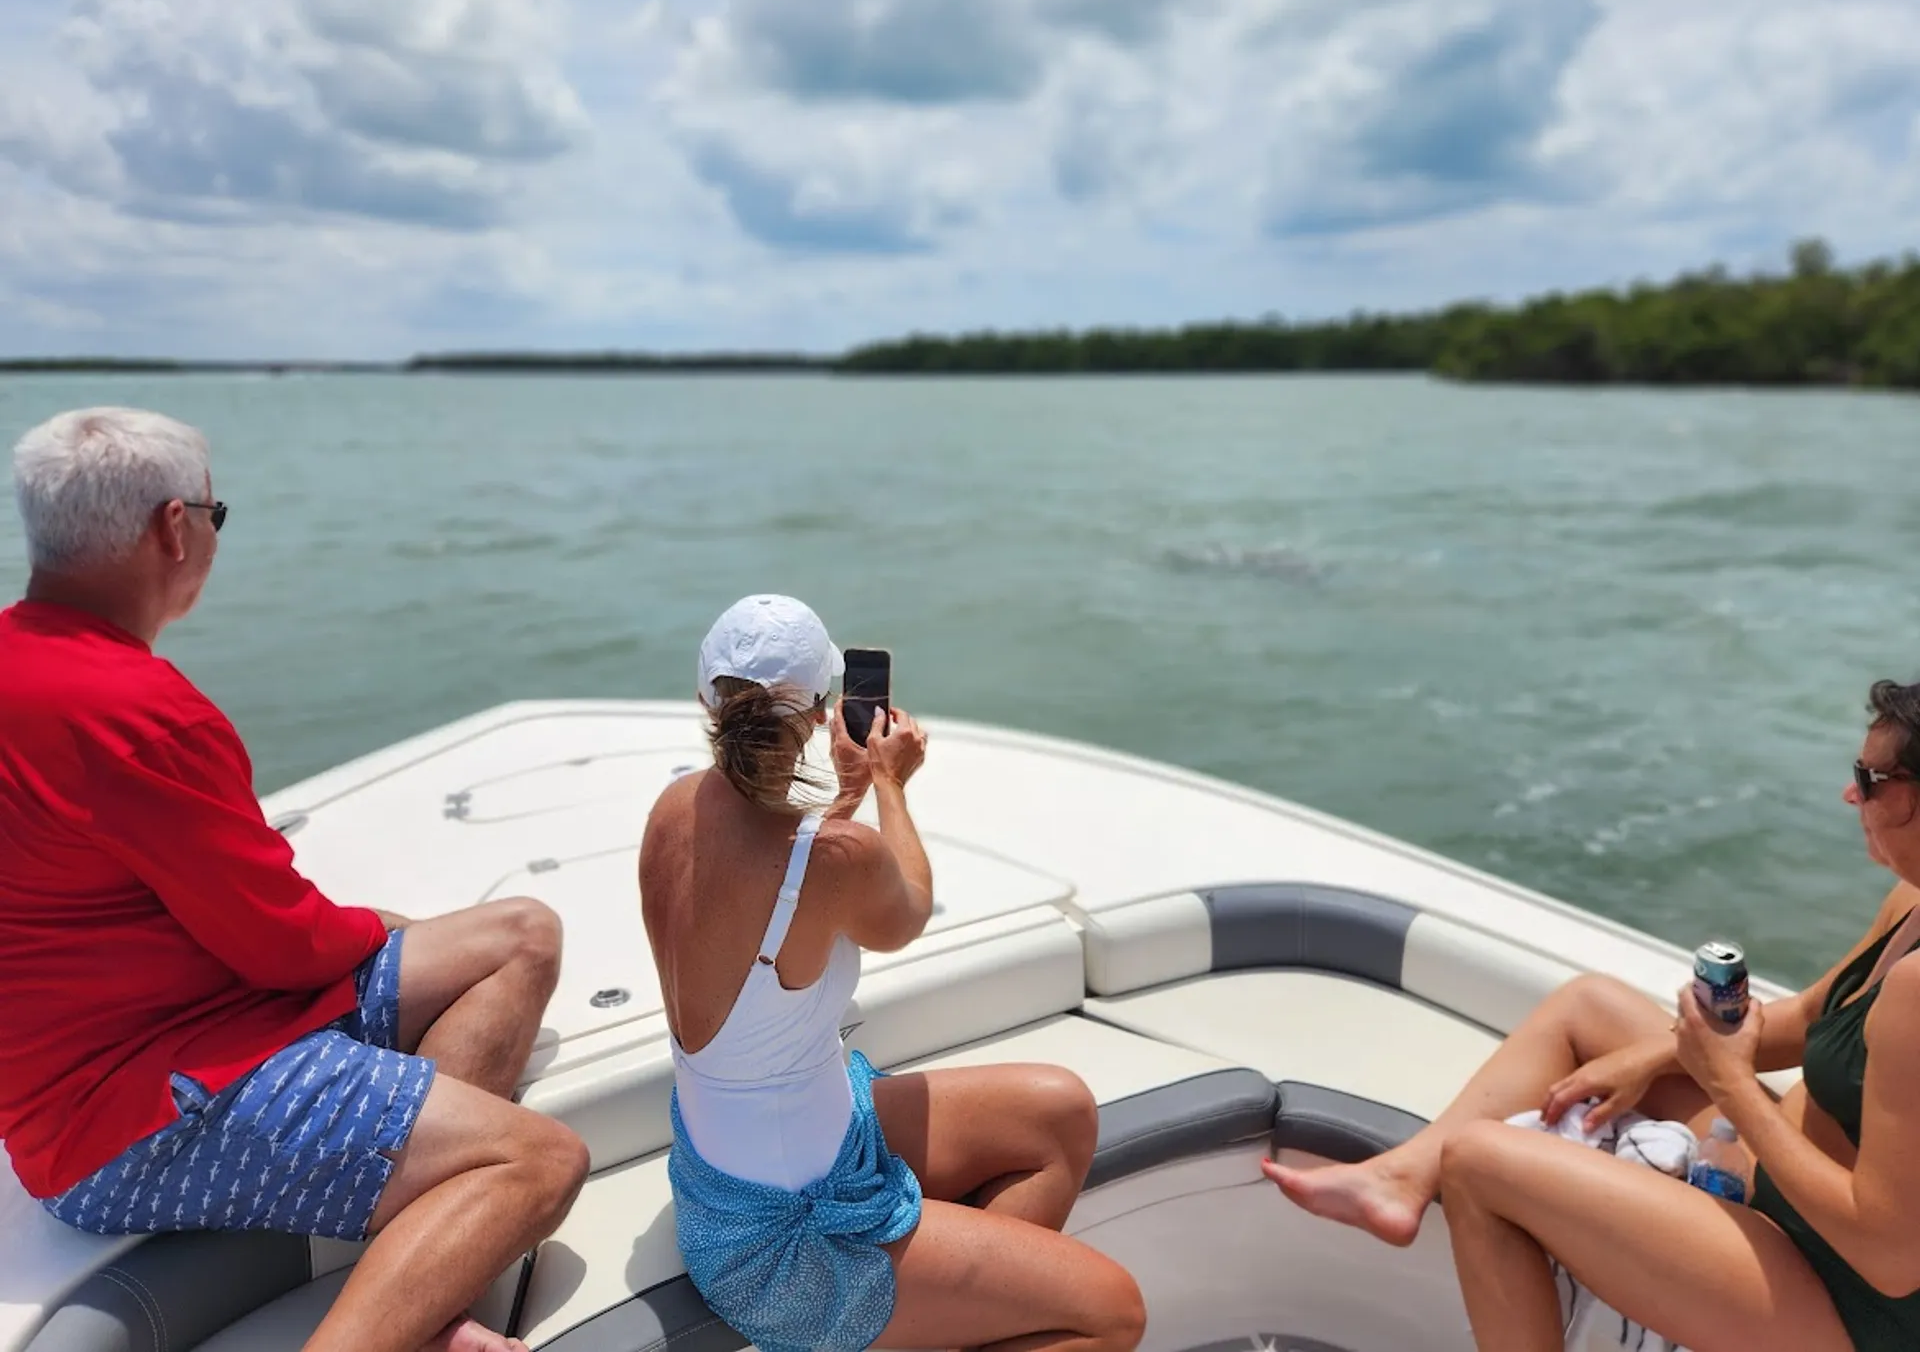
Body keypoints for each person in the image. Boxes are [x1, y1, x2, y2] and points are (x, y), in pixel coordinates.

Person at [0, 408, 590, 1352]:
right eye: (214, 514)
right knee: (541, 1158)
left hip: (102, 1071)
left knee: (520, 933)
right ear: (173, 528)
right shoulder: (139, 712)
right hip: (141, 1113)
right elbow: (284, 948)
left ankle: (421, 1282)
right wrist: (377, 926)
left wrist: (366, 929)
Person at [1265, 678, 1920, 1351]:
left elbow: (1889, 1255)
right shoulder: (1910, 901)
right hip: (1791, 1182)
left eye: (1868, 779)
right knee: (1589, 1007)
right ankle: (1399, 1178)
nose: (1850, 795)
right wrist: (1661, 1053)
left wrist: (1726, 1081)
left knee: (1479, 1163)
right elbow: (1812, 1016)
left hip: (1852, 1297)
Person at [639, 594, 1146, 1352]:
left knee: (1061, 1111)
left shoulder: (671, 811)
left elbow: (783, 891)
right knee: (1115, 1312)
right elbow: (905, 911)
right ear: (820, 712)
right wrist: (888, 785)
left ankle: (955, 1317)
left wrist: (845, 797)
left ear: (706, 700)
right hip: (785, 1243)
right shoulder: (836, 858)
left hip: (746, 1177)